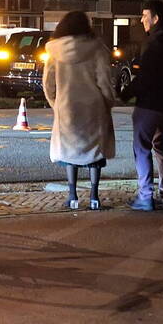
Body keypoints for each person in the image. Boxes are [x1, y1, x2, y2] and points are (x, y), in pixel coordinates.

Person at [119, 0, 163, 211]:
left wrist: (126, 94)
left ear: (156, 18)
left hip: (149, 105)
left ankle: (145, 196)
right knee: (162, 147)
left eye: (144, 15)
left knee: (142, 148)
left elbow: (145, 77)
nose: (141, 20)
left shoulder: (152, 43)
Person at [41, 11, 116, 210]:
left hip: (67, 106)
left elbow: (48, 83)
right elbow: (104, 80)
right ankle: (94, 197)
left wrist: (55, 103)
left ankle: (72, 196)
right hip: (94, 106)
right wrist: (108, 102)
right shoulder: (97, 48)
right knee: (95, 153)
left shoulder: (54, 51)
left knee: (69, 152)